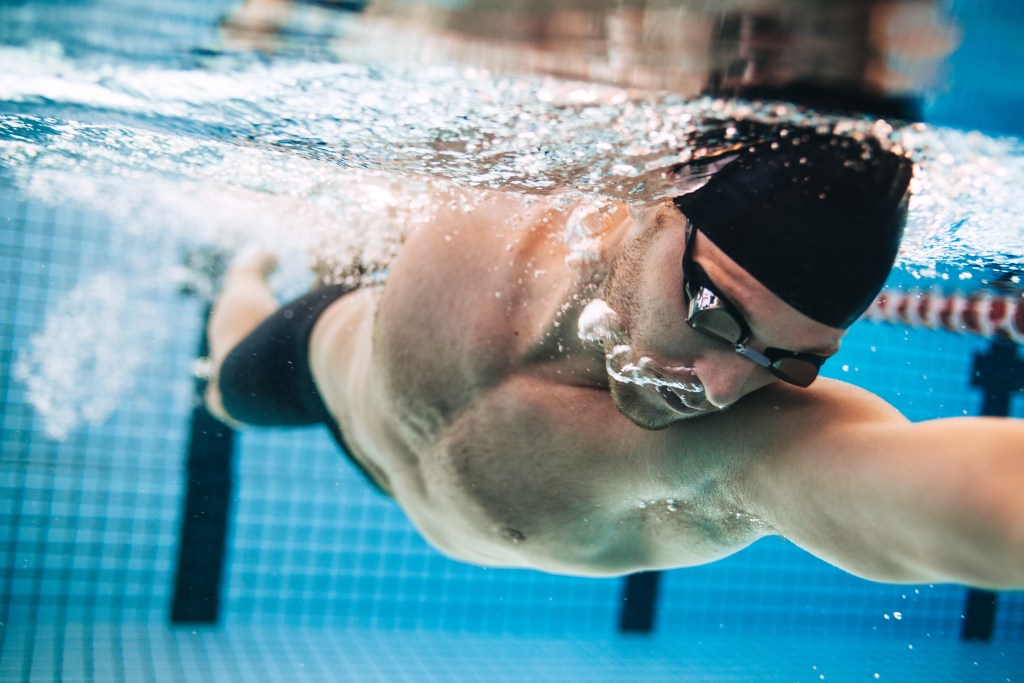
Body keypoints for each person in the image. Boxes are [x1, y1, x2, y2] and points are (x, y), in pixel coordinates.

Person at [203, 127, 1024, 588]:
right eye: (712, 309)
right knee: (222, 388)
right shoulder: (516, 180)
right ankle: (243, 267)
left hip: (396, 434)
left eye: (791, 361)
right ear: (653, 202)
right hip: (337, 365)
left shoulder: (742, 450)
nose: (720, 385)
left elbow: (946, 493)